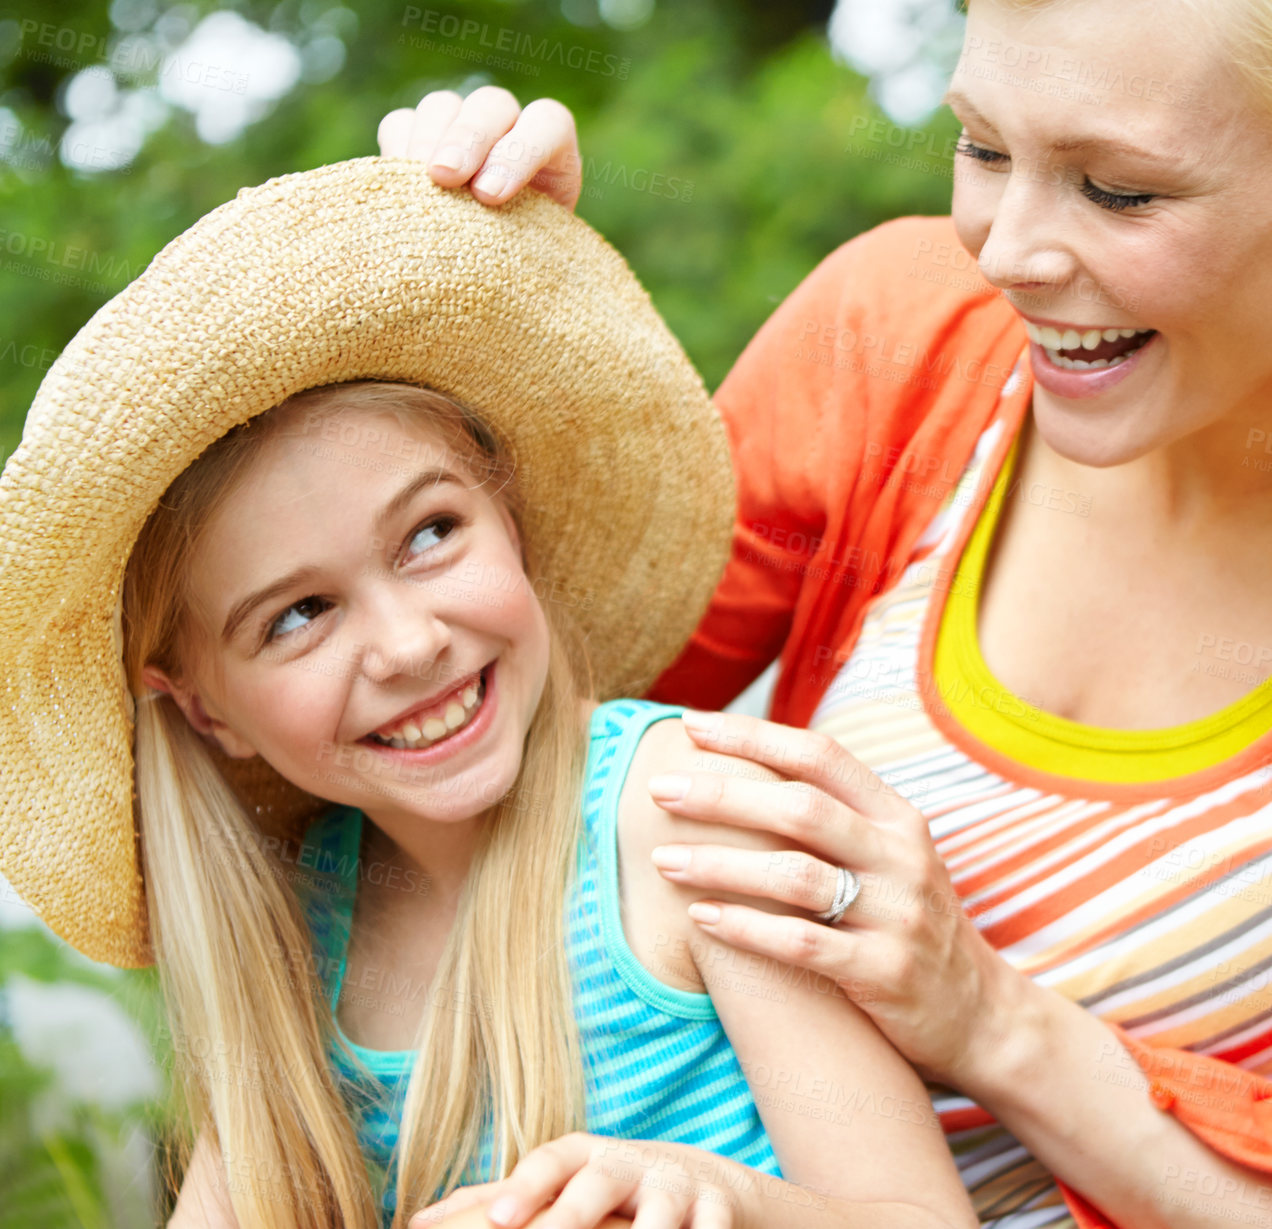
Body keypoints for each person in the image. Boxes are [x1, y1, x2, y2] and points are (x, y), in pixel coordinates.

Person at [377, 0, 1272, 1226]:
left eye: (1118, 190)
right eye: (982, 149)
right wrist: (488, 342)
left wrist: (989, 1019)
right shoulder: (896, 334)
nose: (1005, 248)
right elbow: (475, 758)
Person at [0, 158, 977, 1229]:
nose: (409, 642)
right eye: (297, 614)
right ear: (206, 709)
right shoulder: (296, 935)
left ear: (505, 513)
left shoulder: (680, 816)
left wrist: (719, 1197)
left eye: (429, 534)